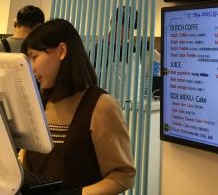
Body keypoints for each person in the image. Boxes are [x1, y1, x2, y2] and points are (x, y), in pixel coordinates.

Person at [20, 19, 135, 194]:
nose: (31, 67)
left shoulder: (101, 105)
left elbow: (122, 176)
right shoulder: (40, 101)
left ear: (61, 51)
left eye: (34, 57)